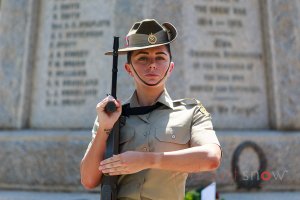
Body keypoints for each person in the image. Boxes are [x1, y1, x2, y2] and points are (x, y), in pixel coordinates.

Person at [80, 19, 222, 200]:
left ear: (170, 67)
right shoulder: (111, 115)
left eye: (160, 57)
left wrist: (145, 160)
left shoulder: (191, 112)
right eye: (142, 58)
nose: (152, 64)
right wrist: (104, 128)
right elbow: (88, 180)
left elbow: (211, 158)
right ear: (128, 69)